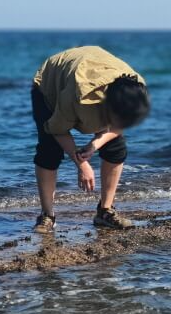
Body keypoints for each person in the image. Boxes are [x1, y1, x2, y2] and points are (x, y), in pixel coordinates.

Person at [30, 46, 150, 233]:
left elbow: (120, 126)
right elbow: (57, 129)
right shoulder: (80, 98)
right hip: (50, 83)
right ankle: (47, 216)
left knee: (116, 148)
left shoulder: (136, 91)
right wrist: (82, 165)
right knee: (49, 151)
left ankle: (105, 212)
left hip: (96, 73)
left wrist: (93, 146)